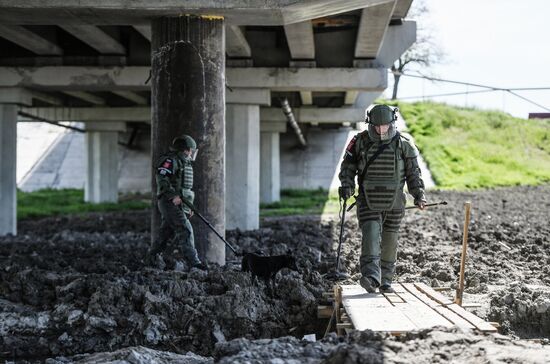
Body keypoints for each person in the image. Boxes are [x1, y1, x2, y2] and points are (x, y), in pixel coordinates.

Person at [338, 104, 426, 293]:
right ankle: (371, 276)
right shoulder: (359, 141)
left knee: (390, 239)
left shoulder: (404, 144)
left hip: (395, 201)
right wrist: (346, 186)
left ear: (392, 123)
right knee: (370, 234)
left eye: (384, 126)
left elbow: (413, 174)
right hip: (368, 199)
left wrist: (419, 195)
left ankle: (386, 280)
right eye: (376, 126)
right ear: (370, 124)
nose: (380, 130)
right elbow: (347, 167)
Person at [147, 135, 207, 270]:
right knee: (185, 229)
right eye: (190, 150)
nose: (191, 153)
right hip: (168, 202)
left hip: (179, 203)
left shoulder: (184, 163)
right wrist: (172, 195)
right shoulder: (170, 160)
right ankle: (195, 263)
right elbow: (162, 179)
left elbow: (184, 189)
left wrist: (188, 207)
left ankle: (150, 259)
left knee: (165, 234)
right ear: (184, 150)